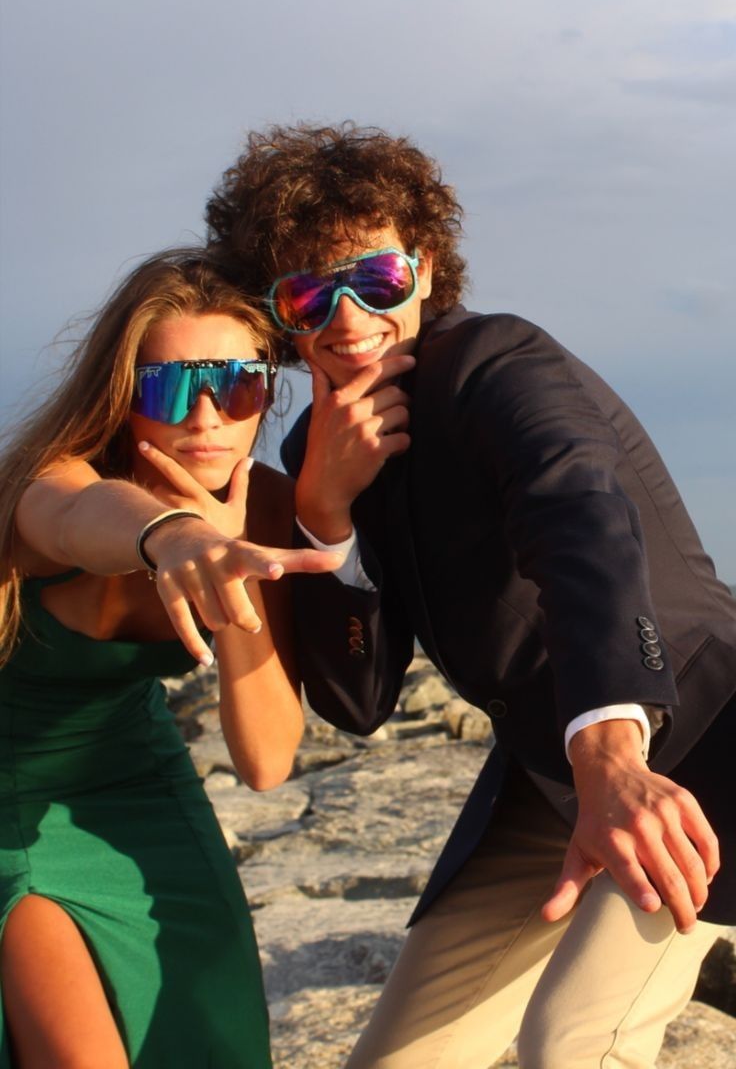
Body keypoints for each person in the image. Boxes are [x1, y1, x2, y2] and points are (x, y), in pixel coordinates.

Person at [205, 123, 736, 1069]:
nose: (347, 317)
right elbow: (358, 702)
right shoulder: (307, 457)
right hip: (543, 779)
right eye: (307, 293)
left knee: (575, 1040)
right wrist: (326, 513)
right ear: (279, 316)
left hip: (692, 740)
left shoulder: (500, 360)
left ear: (425, 265)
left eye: (373, 277)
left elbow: (578, 510)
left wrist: (612, 756)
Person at [0, 250, 343, 1068]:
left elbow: (264, 762)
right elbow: (80, 517)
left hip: (139, 795)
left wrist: (237, 579)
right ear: (121, 397)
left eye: (239, 385)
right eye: (168, 387)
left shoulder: (262, 508)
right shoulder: (54, 481)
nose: (206, 418)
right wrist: (172, 536)